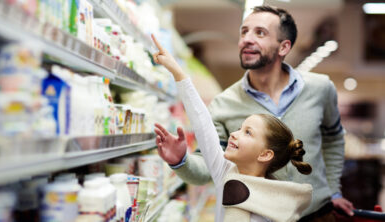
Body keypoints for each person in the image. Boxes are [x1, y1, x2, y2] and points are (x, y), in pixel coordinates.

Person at [154, 5, 354, 222]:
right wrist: (181, 161)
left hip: (318, 214)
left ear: (284, 47)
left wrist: (334, 190)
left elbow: (334, 140)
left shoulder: (321, 88)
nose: (246, 39)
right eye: (243, 31)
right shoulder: (224, 103)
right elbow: (207, 154)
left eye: (260, 32)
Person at [151, 33, 313, 222]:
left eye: (248, 133)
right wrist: (177, 72)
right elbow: (204, 125)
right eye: (240, 128)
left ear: (265, 154)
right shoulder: (226, 172)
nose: (234, 134)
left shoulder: (276, 207)